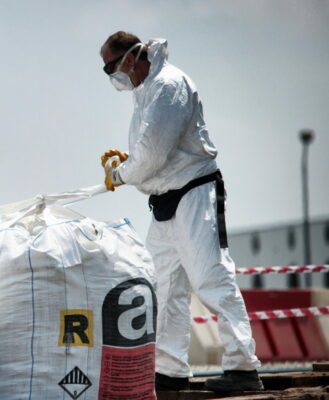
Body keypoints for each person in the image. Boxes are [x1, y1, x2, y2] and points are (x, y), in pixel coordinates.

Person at [98, 31, 263, 392]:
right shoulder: (147, 91)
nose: (112, 75)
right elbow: (150, 154)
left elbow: (153, 154)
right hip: (165, 201)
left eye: (111, 66)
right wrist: (133, 167)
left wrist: (121, 173)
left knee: (211, 279)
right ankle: (170, 369)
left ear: (129, 58)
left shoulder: (169, 86)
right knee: (163, 287)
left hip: (194, 195)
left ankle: (243, 367)